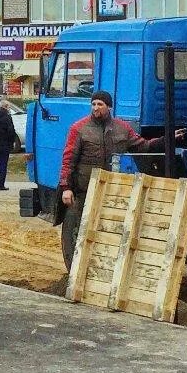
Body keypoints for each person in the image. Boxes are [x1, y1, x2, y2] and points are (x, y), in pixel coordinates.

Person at [56, 91, 162, 269]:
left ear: (109, 107)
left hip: (111, 190)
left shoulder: (122, 128)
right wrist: (66, 187)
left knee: (107, 230)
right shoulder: (79, 128)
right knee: (76, 230)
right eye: (94, 104)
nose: (96, 108)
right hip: (82, 190)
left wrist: (166, 140)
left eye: (100, 104)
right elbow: (68, 160)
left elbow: (142, 145)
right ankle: (73, 270)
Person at [0, 99, 17, 191]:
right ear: (6, 107)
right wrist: (11, 142)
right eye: (8, 107)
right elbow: (11, 132)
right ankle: (1, 185)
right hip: (4, 145)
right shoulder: (7, 117)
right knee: (3, 165)